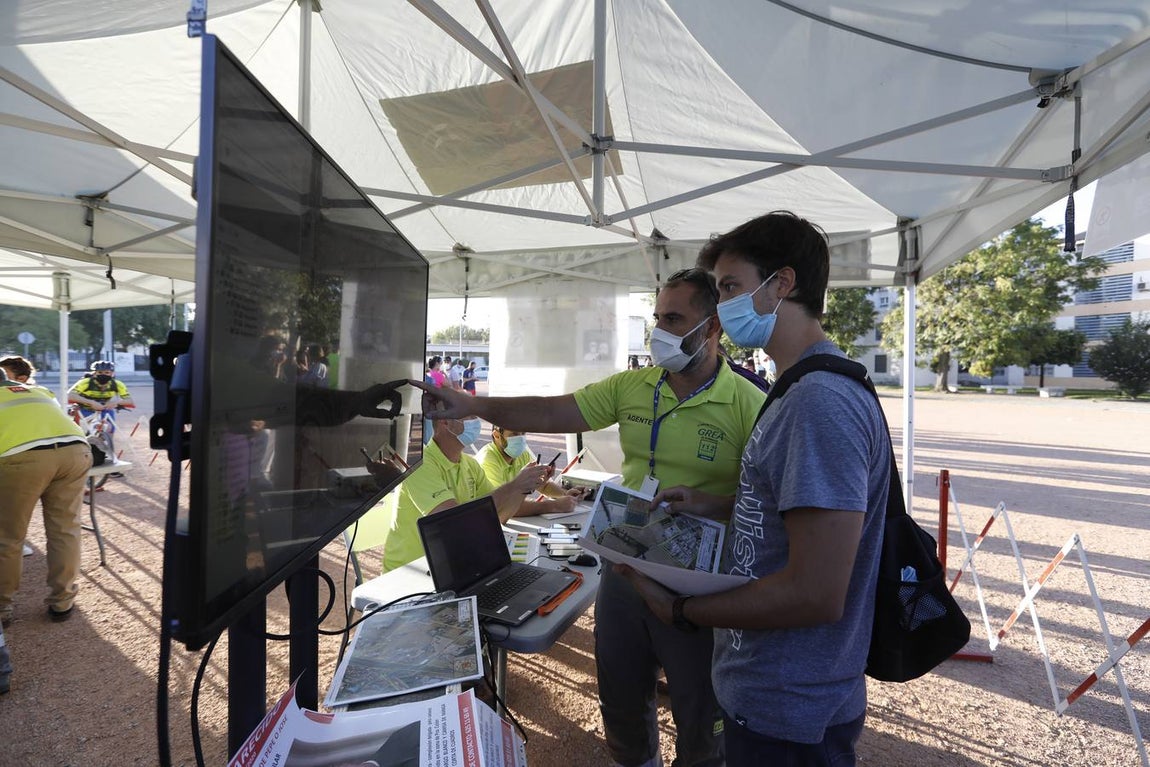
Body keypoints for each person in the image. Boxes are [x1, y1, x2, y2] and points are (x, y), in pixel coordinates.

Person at [414, 268, 766, 767]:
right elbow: (551, 412)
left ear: (712, 329)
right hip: (624, 571)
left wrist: (713, 505)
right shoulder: (633, 386)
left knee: (700, 714)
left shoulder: (749, 405)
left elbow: (768, 505)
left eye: (674, 319)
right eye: (657, 317)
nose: (659, 331)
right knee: (620, 699)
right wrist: (472, 403)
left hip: (699, 586)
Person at [620, 211, 890, 767]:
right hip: (774, 693)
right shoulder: (797, 388)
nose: (720, 307)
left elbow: (816, 591)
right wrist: (716, 504)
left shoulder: (818, 403)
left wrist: (685, 610)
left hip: (789, 707)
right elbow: (792, 518)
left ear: (782, 284)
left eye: (730, 287)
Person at [382, 416, 550, 572]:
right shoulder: (420, 465)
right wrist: (515, 485)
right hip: (410, 573)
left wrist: (522, 488)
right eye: (469, 415)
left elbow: (499, 517)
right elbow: (454, 522)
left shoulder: (469, 464)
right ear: (444, 422)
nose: (476, 422)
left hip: (452, 565)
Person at [0, 366, 93, 626]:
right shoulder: (37, 390)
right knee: (65, 530)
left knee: (8, 537)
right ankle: (62, 602)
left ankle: (2, 608)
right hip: (76, 452)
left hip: (21, 457)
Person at [477, 426, 588, 516]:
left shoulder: (521, 453)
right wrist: (553, 506)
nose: (520, 438)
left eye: (523, 433)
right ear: (496, 435)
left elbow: (542, 485)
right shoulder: (488, 461)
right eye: (514, 434)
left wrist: (565, 494)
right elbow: (502, 506)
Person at [67, 360, 135, 416]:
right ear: (94, 373)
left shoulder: (118, 384)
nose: (103, 374)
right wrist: (91, 402)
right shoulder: (85, 382)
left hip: (105, 410)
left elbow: (130, 401)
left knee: (109, 429)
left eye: (107, 372)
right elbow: (69, 395)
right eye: (100, 372)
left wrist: (116, 402)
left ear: (112, 373)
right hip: (84, 409)